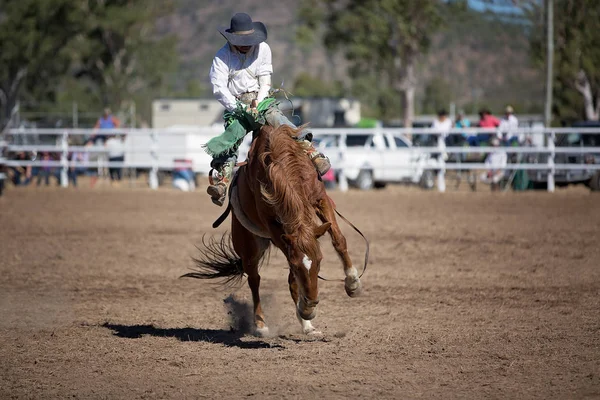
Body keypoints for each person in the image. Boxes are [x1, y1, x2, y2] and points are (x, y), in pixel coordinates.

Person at [205, 12, 330, 206]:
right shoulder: (222, 57)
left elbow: (265, 81)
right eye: (241, 40)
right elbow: (219, 89)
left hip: (261, 100)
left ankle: (313, 153)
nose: (246, 44)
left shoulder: (263, 49)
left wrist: (258, 101)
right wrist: (240, 108)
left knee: (281, 122)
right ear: (232, 39)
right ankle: (222, 183)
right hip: (236, 104)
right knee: (231, 137)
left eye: (248, 39)